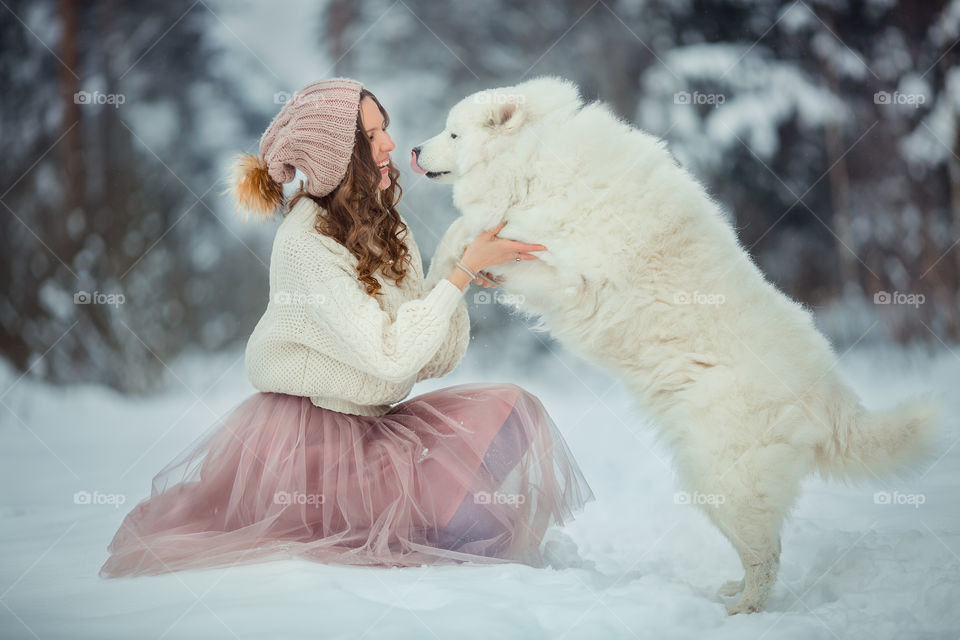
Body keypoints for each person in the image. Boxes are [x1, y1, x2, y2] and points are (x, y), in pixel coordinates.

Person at [99, 78, 593, 578]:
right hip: (310, 447)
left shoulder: (385, 223)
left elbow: (431, 358)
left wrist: (454, 273)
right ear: (339, 155)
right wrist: (460, 272)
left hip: (376, 424)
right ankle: (424, 523)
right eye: (372, 135)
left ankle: (434, 519)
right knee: (475, 530)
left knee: (513, 408)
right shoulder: (304, 244)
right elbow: (391, 357)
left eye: (386, 130)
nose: (391, 145)